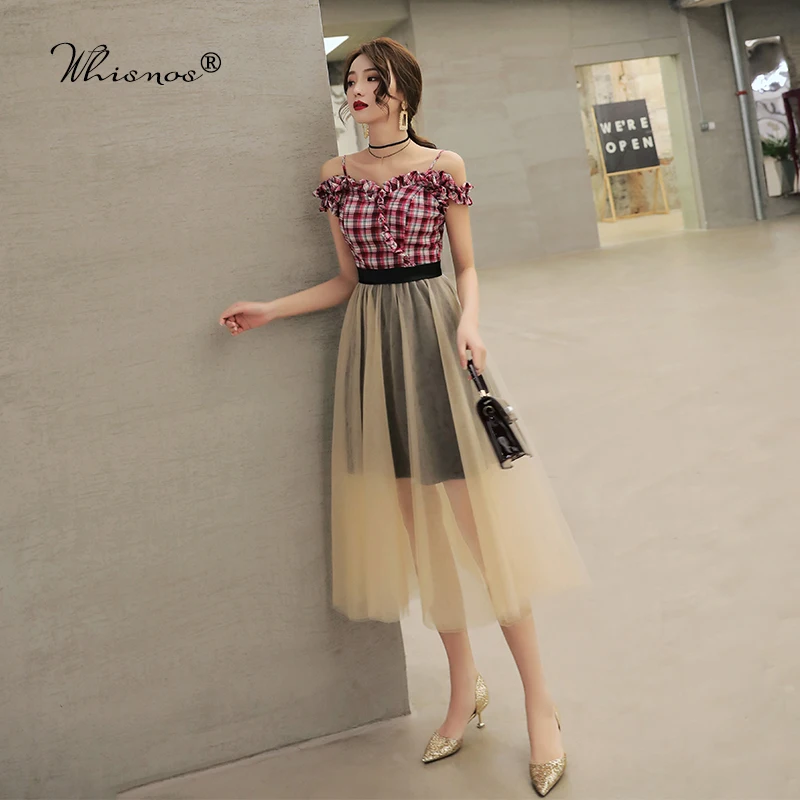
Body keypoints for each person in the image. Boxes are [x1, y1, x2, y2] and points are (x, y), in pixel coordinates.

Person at [218, 36, 588, 796]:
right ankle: (462, 689)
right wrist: (271, 310)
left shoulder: (444, 165)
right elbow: (347, 280)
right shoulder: (336, 177)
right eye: (349, 79)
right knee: (422, 538)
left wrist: (471, 322)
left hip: (436, 342)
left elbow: (467, 265)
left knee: (482, 538)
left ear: (402, 92)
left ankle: (539, 703)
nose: (355, 90)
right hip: (372, 353)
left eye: (370, 79)